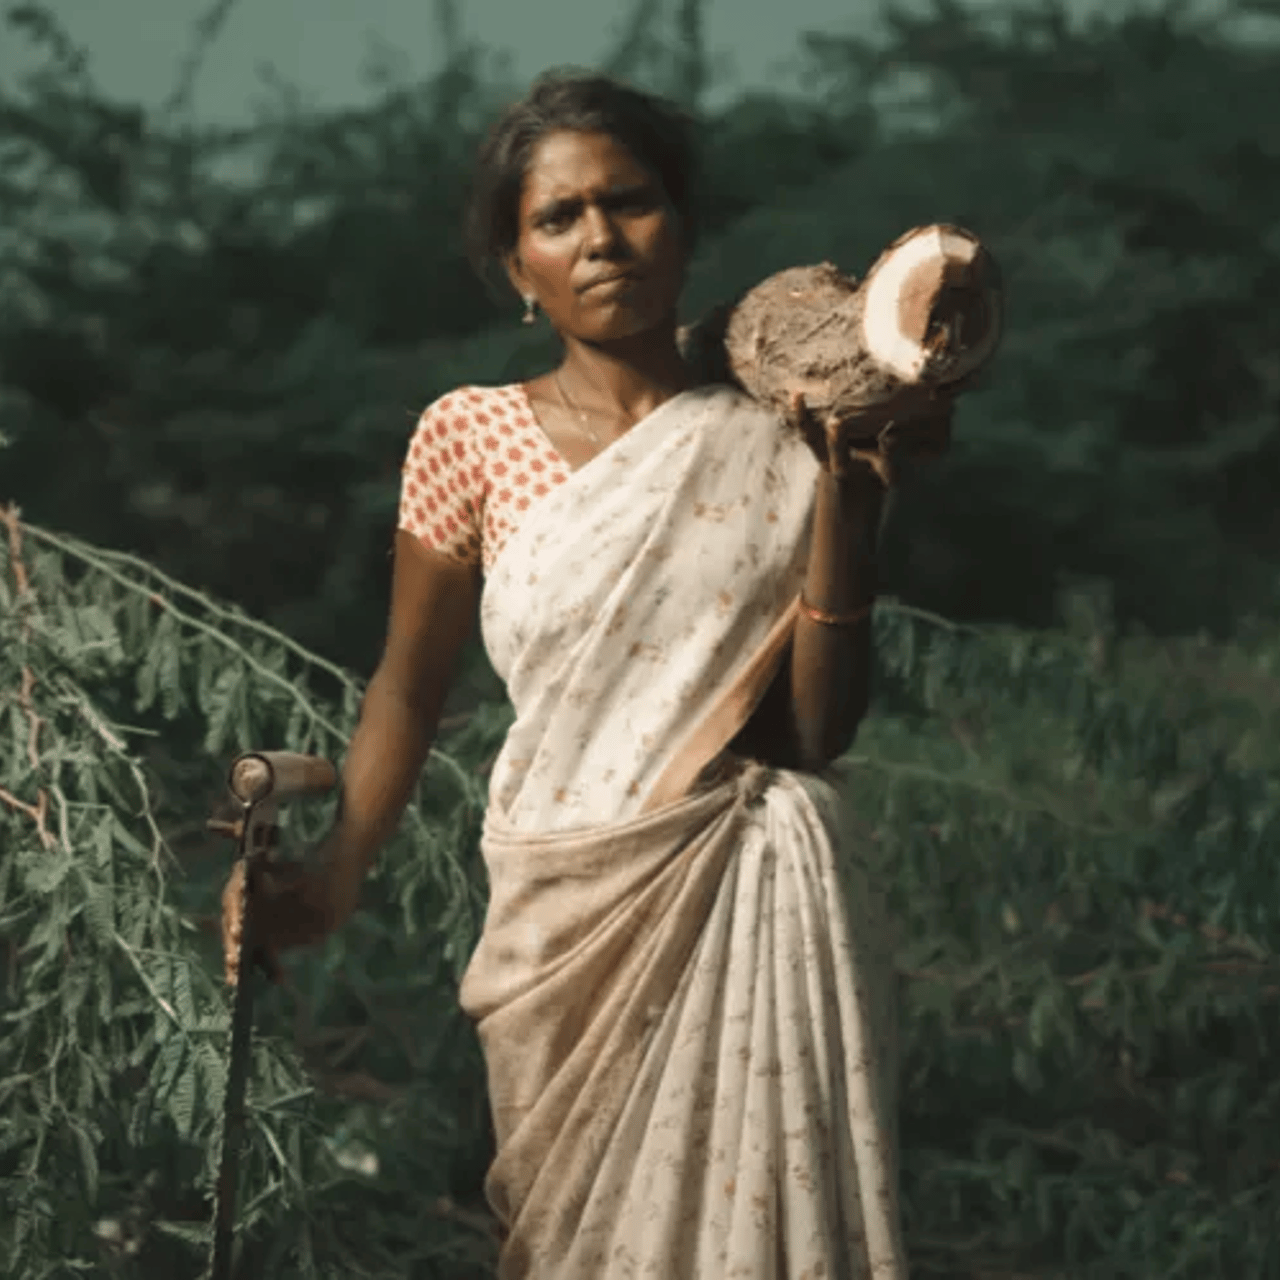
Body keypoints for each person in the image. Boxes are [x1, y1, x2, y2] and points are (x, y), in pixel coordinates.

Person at [223, 69, 955, 1279]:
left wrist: (845, 487)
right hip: (562, 911)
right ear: (516, 268)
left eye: (629, 201)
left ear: (682, 223)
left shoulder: (786, 420)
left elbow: (817, 730)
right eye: (556, 218)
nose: (600, 238)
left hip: (753, 885)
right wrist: (338, 873)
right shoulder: (468, 434)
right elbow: (408, 683)